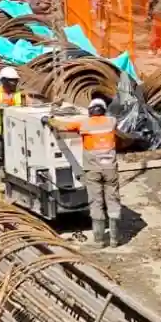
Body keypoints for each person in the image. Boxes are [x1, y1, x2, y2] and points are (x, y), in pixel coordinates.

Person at [49, 98, 122, 246]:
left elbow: (62, 126)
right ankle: (114, 239)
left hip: (93, 170)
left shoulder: (84, 124)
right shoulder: (112, 121)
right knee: (113, 201)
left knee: (96, 202)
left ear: (90, 111)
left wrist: (49, 120)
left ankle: (99, 240)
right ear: (103, 110)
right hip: (110, 169)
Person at [0, 67, 24, 166]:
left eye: (16, 80)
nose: (15, 83)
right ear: (3, 81)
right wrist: (1, 105)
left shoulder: (20, 93)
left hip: (14, 128)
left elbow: (29, 104)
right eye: (12, 81)